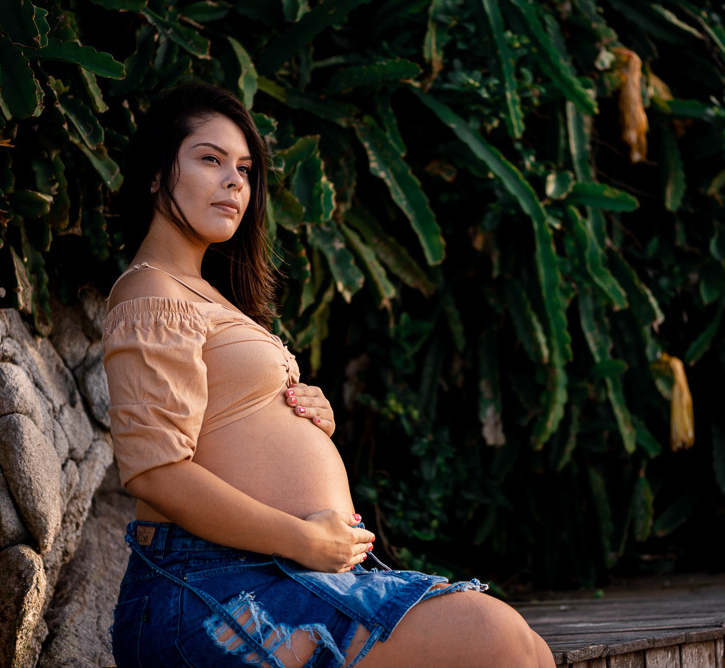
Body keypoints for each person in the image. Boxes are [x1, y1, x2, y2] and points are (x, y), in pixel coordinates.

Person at [103, 83, 555, 668]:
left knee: (529, 650)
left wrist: (301, 414)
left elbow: (225, 421)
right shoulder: (150, 292)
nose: (236, 181)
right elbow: (157, 472)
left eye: (244, 167)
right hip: (209, 589)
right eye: (210, 159)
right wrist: (302, 538)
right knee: (497, 641)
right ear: (157, 175)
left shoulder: (204, 293)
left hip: (266, 575)